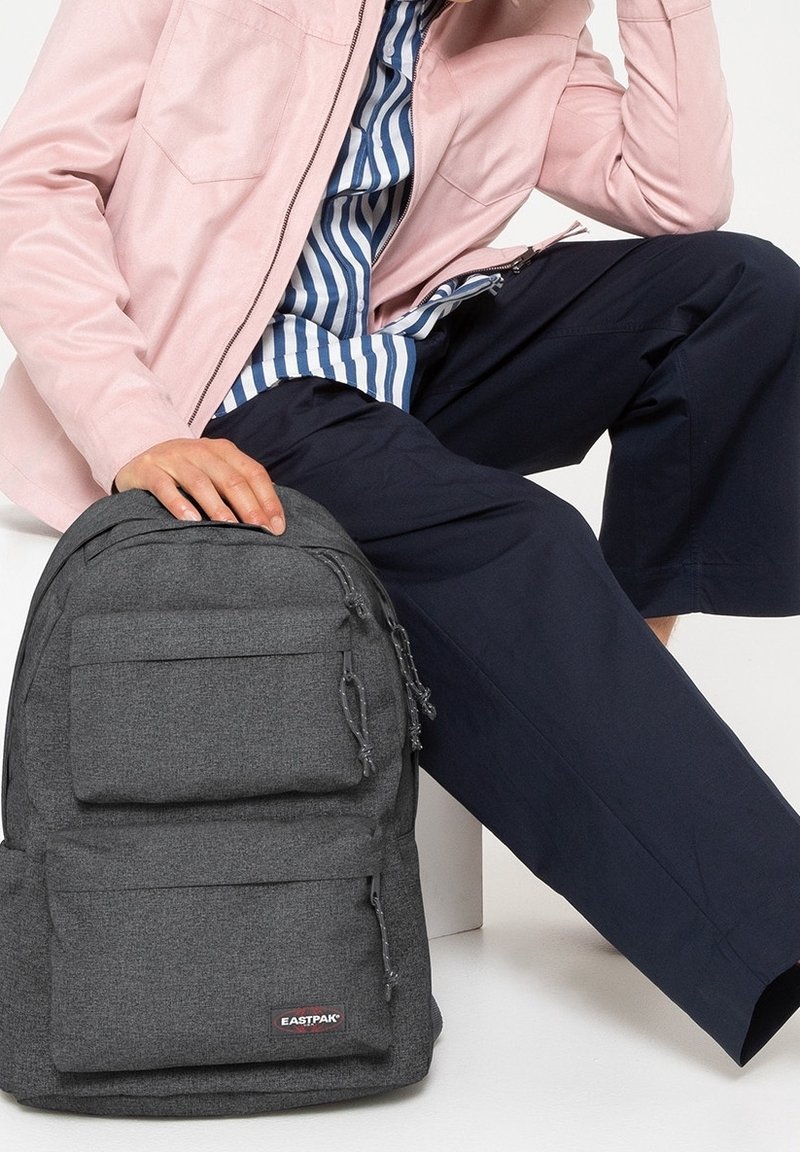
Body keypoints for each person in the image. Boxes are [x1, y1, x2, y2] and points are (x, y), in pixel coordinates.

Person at [0, 0, 799, 1068]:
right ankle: (769, 926)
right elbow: (34, 182)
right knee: (523, 541)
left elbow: (676, 198)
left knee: (739, 292)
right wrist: (133, 430)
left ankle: (627, 710)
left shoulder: (522, 17)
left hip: (396, 351)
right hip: (215, 389)